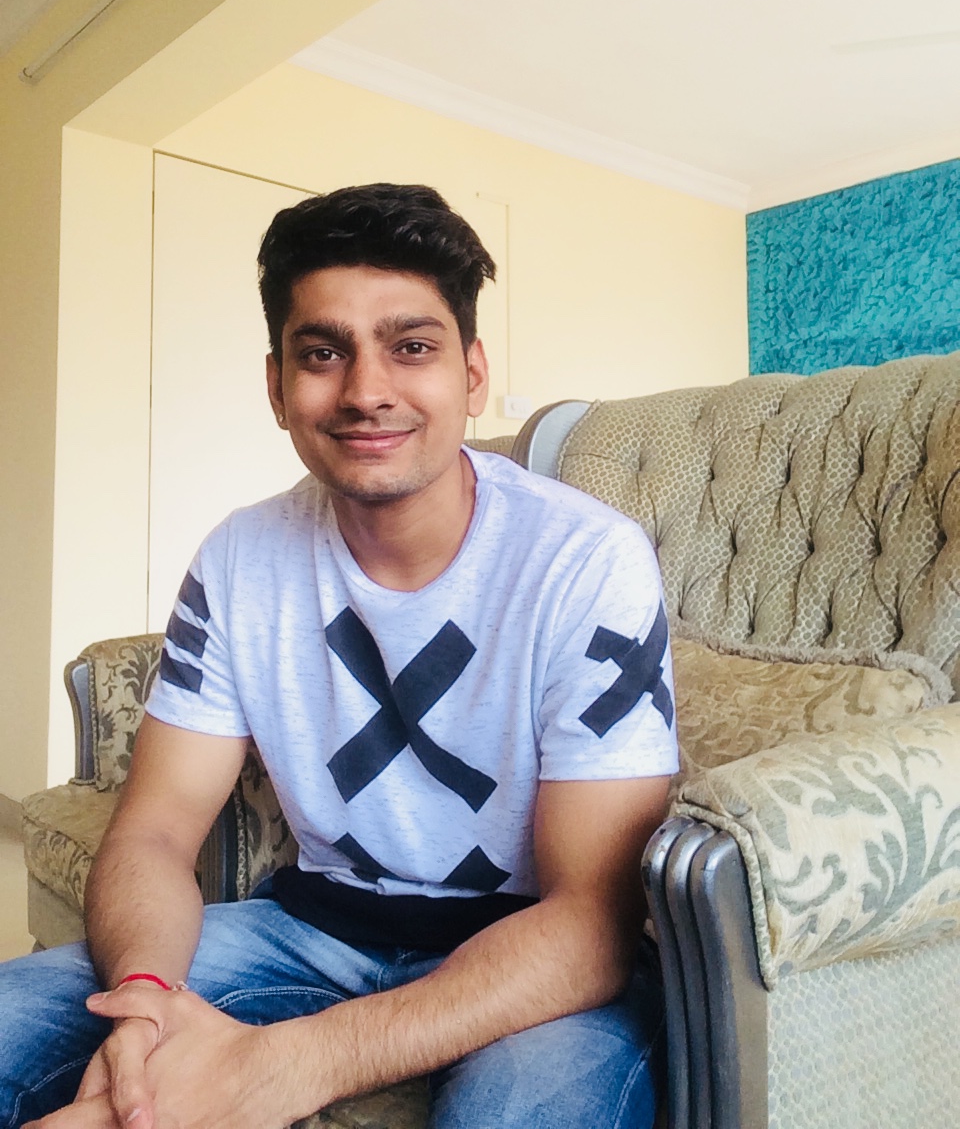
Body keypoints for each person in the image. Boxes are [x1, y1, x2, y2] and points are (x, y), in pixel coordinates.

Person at [0, 183, 678, 1129]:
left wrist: (291, 1065)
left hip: (531, 956)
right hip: (311, 928)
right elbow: (154, 831)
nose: (366, 391)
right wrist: (146, 1000)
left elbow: (593, 923)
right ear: (277, 387)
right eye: (322, 353)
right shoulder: (240, 558)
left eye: (412, 347)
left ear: (472, 374)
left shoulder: (585, 560)